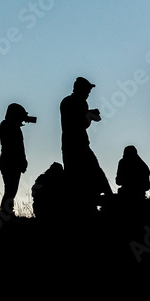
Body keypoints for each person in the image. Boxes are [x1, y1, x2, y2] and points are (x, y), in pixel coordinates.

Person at [60, 77, 112, 208]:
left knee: (74, 178)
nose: (88, 93)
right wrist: (89, 116)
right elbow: (81, 123)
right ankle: (111, 203)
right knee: (95, 173)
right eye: (87, 90)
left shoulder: (67, 102)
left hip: (68, 146)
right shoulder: (79, 103)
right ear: (80, 89)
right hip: (79, 146)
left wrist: (88, 113)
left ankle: (80, 206)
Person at [0, 103, 35, 220]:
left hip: (11, 162)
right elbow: (16, 146)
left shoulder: (10, 126)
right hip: (10, 162)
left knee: (11, 189)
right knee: (10, 189)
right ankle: (5, 214)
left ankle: (7, 213)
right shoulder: (7, 126)